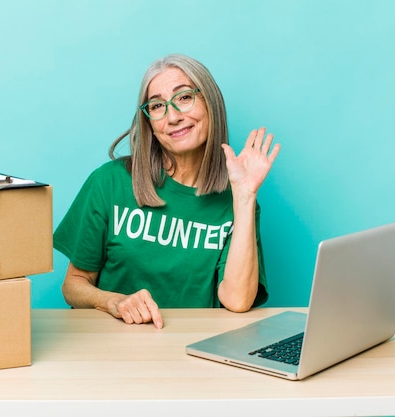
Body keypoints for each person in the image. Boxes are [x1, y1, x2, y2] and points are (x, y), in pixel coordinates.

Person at [53, 54, 280, 329]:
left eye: (184, 97)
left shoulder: (236, 202)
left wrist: (244, 197)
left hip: (196, 351)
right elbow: (74, 285)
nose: (173, 117)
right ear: (149, 121)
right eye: (157, 105)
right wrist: (114, 302)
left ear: (211, 103)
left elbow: (237, 300)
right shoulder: (109, 183)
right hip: (113, 351)